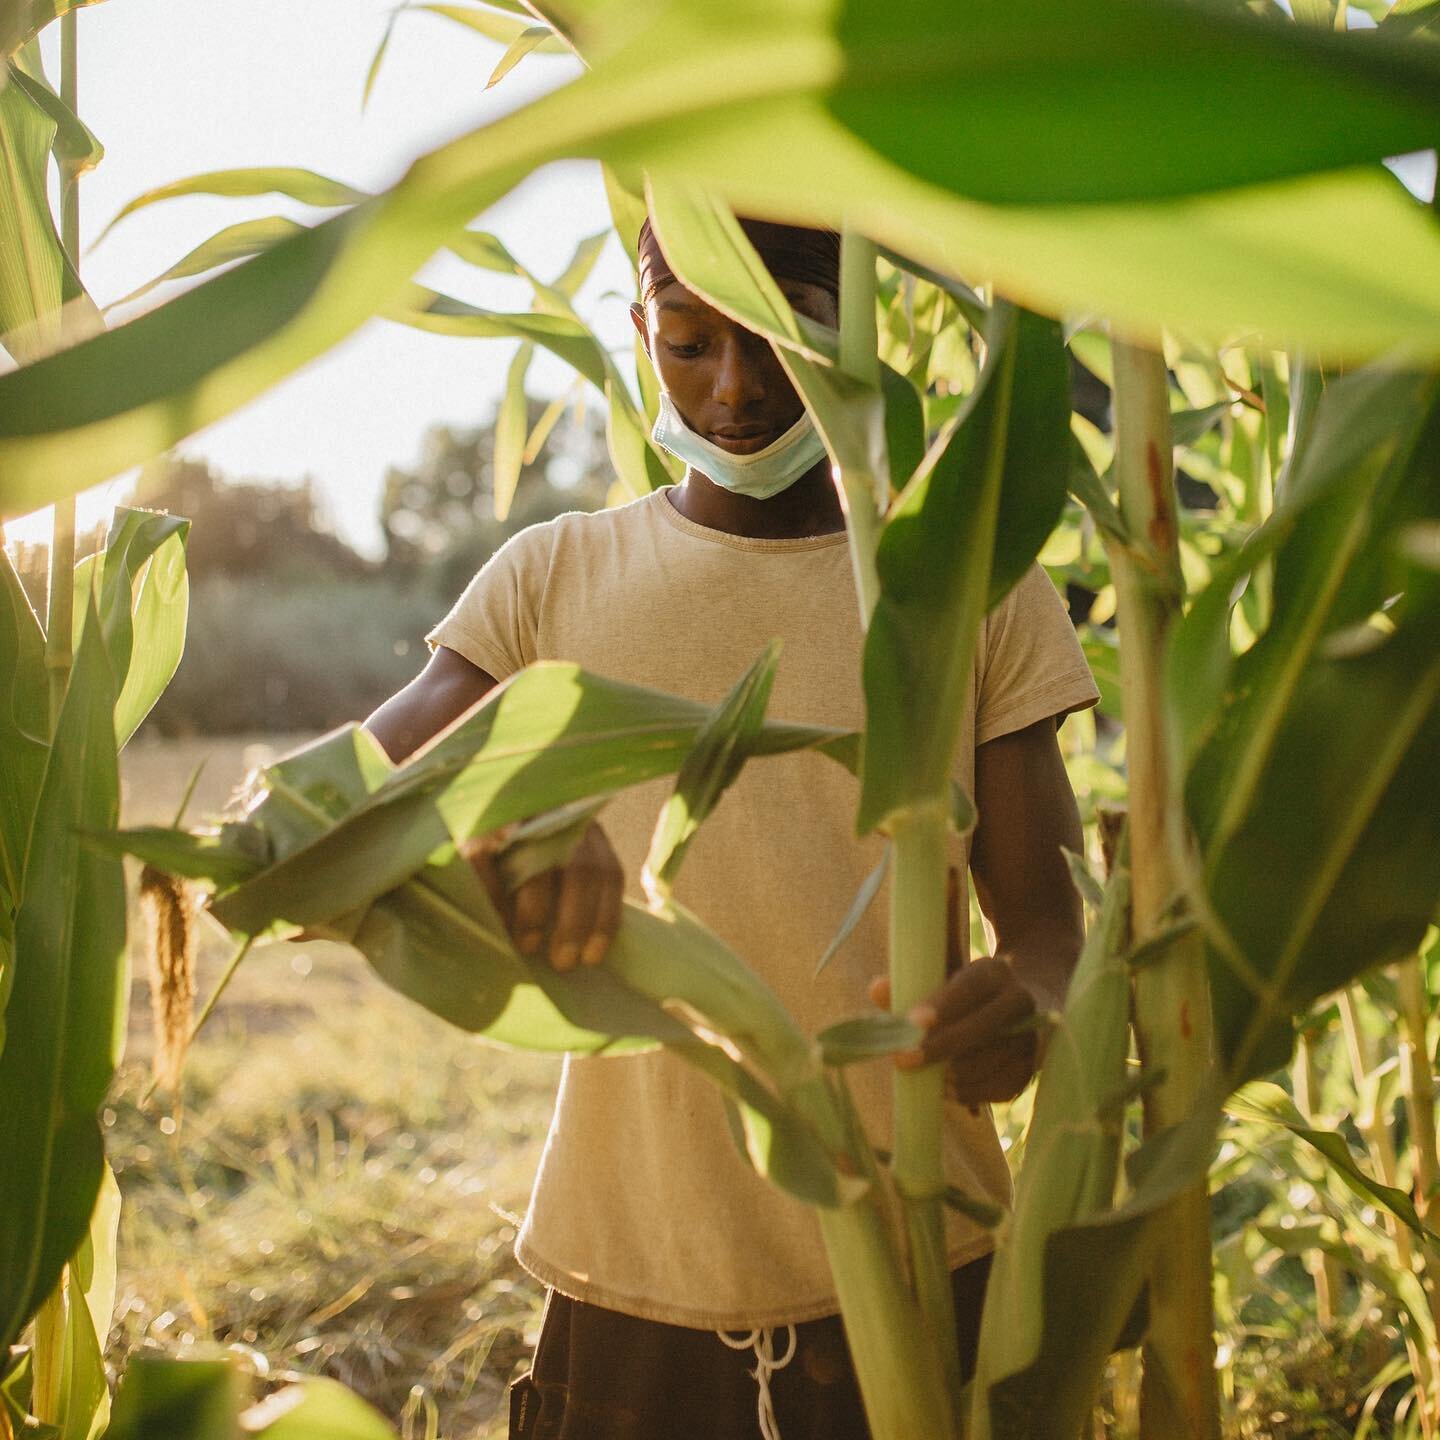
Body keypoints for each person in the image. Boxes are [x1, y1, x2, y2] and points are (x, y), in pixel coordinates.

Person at [363, 216, 1099, 1440]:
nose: (737, 387)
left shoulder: (975, 580)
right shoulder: (552, 579)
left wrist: (1023, 1006)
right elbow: (332, 814)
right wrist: (507, 813)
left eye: (783, 333)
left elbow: (1052, 937)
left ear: (855, 321)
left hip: (927, 1268)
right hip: (631, 1287)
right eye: (692, 342)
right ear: (642, 332)